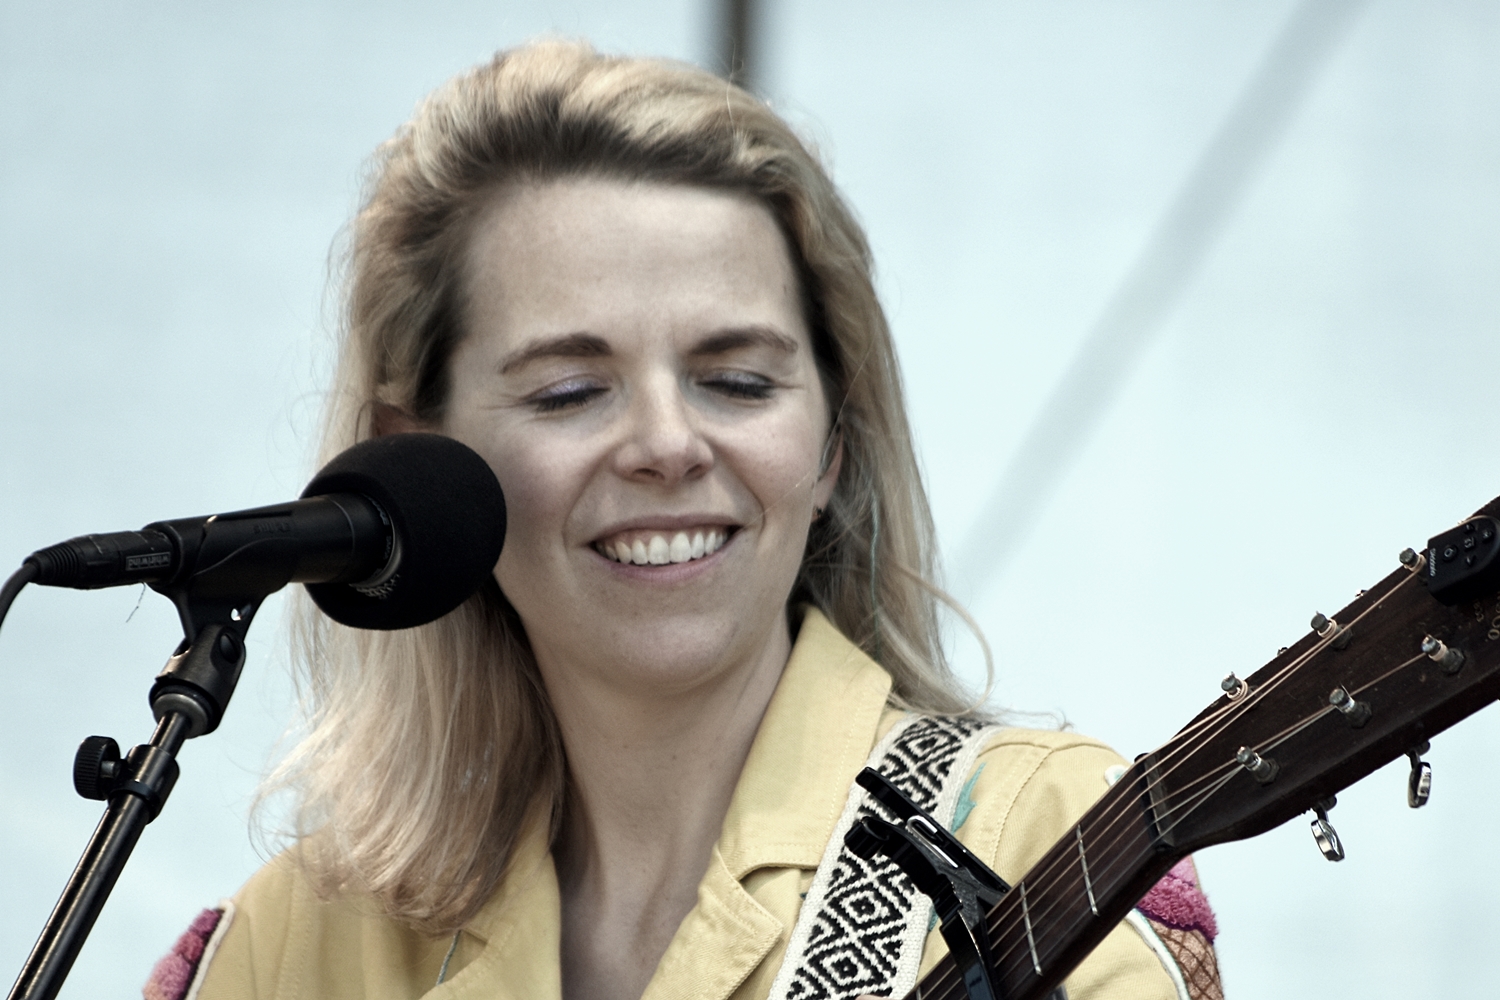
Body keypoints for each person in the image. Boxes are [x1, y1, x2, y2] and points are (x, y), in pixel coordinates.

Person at [143, 40, 1222, 1000]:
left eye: (738, 381)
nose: (667, 443)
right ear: (413, 465)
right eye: (569, 392)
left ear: (833, 445)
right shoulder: (289, 950)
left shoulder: (1044, 846)